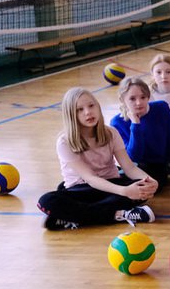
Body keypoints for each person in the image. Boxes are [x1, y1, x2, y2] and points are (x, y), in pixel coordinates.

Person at [37, 87, 158, 230]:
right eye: (80, 110)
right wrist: (125, 191)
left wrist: (150, 181)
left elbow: (129, 167)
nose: (88, 112)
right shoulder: (65, 141)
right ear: (71, 115)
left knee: (141, 187)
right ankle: (119, 215)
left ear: (98, 107)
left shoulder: (111, 133)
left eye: (91, 106)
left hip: (111, 185)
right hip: (82, 189)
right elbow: (90, 178)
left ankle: (73, 217)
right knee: (47, 201)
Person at [110, 77, 170, 189]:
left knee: (154, 184)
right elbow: (134, 157)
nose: (139, 103)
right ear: (122, 100)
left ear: (148, 96)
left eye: (143, 97)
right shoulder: (117, 122)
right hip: (135, 166)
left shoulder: (161, 108)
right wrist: (135, 124)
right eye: (132, 99)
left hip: (158, 166)